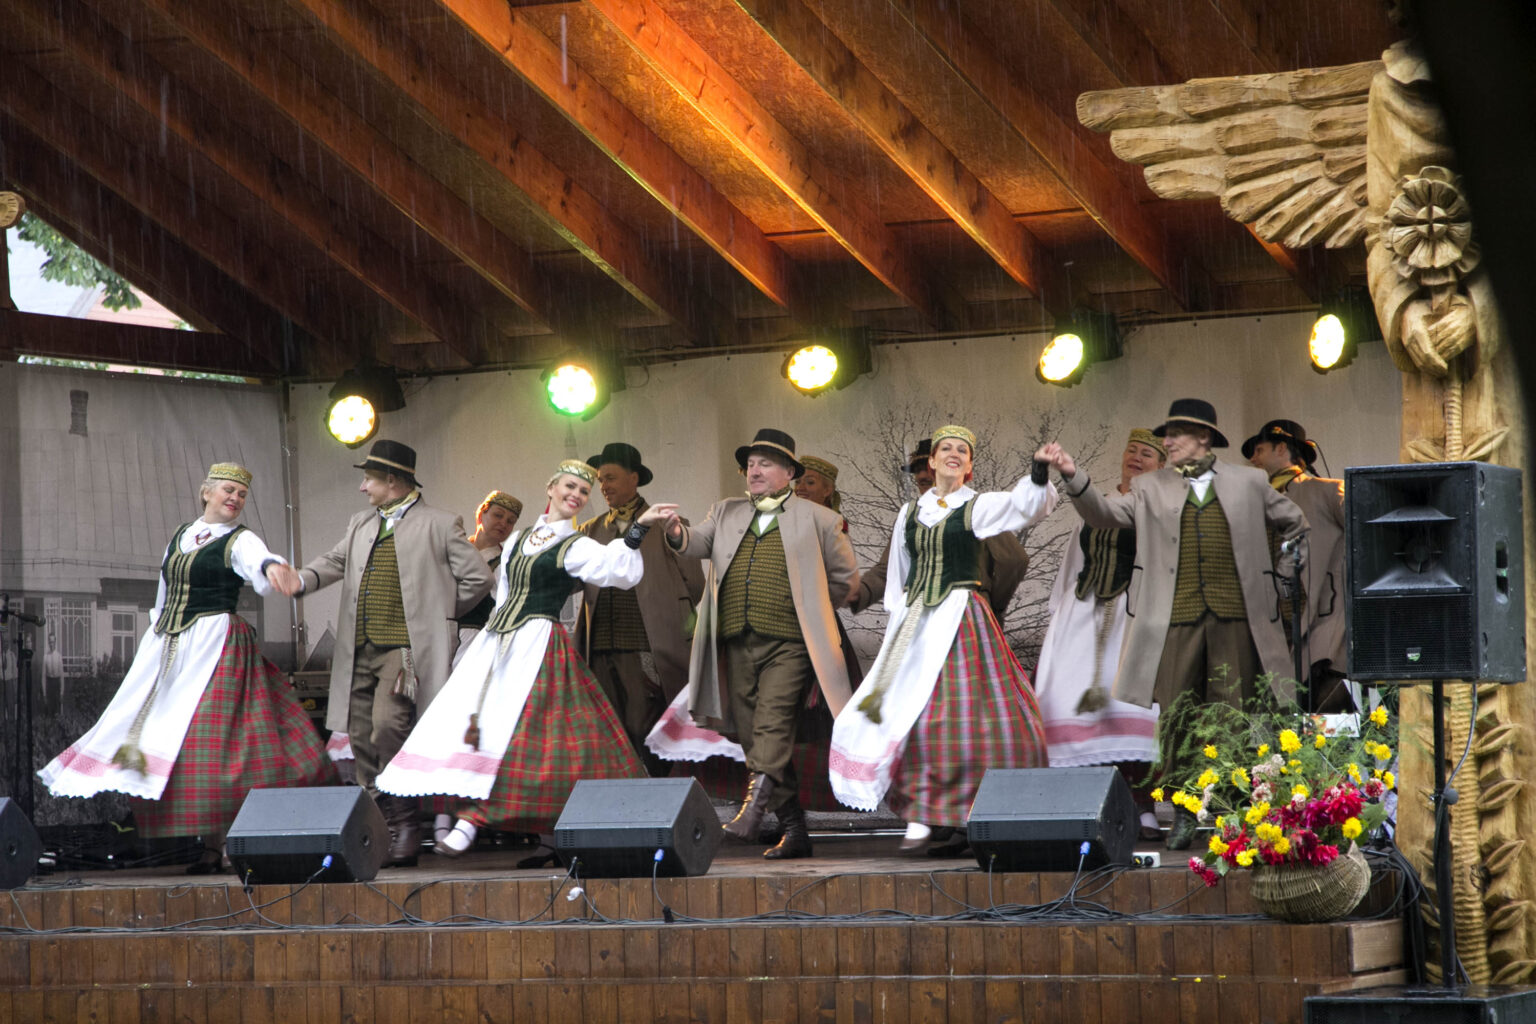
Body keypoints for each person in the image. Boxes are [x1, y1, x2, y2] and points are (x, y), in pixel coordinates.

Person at [1036, 398, 1308, 850]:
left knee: (1232, 716)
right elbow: (1104, 514)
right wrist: (1071, 474)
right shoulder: (1149, 487)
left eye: (1176, 434)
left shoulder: (1249, 481)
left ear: (1203, 438)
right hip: (1174, 618)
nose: (1167, 442)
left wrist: (1281, 577)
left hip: (1236, 616)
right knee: (1178, 717)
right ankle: (1183, 810)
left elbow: (1294, 523)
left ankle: (1231, 809)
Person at [39, 463, 330, 873]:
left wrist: (272, 568)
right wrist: (155, 640)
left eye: (241, 494)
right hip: (173, 647)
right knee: (175, 740)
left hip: (217, 646)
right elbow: (164, 594)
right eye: (228, 490)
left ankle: (231, 844)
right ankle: (210, 846)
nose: (235, 498)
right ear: (206, 493)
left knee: (221, 743)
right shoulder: (181, 535)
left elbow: (259, 561)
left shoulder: (240, 539)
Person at [376, 460, 674, 855]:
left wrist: (640, 527)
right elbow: (502, 594)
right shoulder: (518, 539)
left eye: (583, 491)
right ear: (551, 488)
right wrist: (488, 643)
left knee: (529, 732)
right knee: (474, 726)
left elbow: (615, 569)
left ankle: (476, 822)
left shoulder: (576, 545)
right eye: (570, 486)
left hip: (539, 644)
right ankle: (474, 820)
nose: (576, 495)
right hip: (498, 642)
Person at [830, 426, 1057, 852]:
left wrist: (1039, 471)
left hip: (962, 615)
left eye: (963, 451)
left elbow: (1025, 506)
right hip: (915, 620)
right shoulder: (908, 513)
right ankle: (923, 810)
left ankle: (976, 810)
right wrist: (897, 625)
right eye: (946, 448)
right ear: (932, 461)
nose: (954, 454)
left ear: (969, 467)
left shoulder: (977, 506)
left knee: (973, 715)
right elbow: (899, 575)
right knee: (901, 709)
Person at [657, 428, 858, 860]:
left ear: (789, 473)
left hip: (791, 642)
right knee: (751, 733)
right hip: (736, 641)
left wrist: (812, 608)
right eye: (750, 464)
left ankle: (753, 811)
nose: (755, 470)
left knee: (772, 721)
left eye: (765, 463)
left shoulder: (820, 519)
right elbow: (696, 542)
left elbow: (845, 581)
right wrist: (675, 530)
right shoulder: (725, 511)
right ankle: (794, 828)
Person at [295, 440, 494, 867]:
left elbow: (478, 578)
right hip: (359, 648)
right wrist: (300, 580)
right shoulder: (361, 523)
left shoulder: (440, 523)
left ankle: (407, 825)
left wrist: (440, 612)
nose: (362, 487)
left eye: (368, 479)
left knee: (387, 728)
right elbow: (334, 561)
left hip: (402, 652)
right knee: (361, 737)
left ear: (391, 480)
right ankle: (383, 827)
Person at [1032, 428, 1166, 840]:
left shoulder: (1161, 509)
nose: (1136, 457)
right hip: (1084, 613)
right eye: (1132, 450)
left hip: (1133, 613)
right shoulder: (1096, 504)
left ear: (1161, 466)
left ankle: (1142, 805)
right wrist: (1060, 615)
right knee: (1072, 702)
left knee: (1132, 706)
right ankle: (1089, 804)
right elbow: (1074, 564)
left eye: (1147, 454)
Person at [575, 443, 702, 770]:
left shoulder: (666, 525)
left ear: (634, 478)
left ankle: (658, 788)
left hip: (645, 642)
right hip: (599, 644)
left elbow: (694, 584)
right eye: (601, 480)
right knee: (608, 728)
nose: (604, 486)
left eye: (611, 478)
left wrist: (665, 611)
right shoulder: (589, 530)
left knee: (645, 724)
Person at [849, 438, 1030, 619]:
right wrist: (858, 592)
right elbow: (889, 569)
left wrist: (991, 603)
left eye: (928, 470)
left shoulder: (974, 510)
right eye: (918, 471)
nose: (922, 475)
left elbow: (1014, 560)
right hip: (918, 616)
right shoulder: (912, 517)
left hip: (963, 614)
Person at [1242, 419, 1351, 711]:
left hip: (1320, 621)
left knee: (1326, 708)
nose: (1252, 459)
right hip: (1274, 625)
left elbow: (1368, 536)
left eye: (1259, 449)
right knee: (1286, 714)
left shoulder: (1326, 491)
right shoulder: (1254, 503)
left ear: (1281, 448)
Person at [454, 490, 523, 664]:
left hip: (472, 639)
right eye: (498, 515)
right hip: (438, 633)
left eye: (510, 521)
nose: (503, 524)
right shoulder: (456, 549)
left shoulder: (505, 564)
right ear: (481, 514)